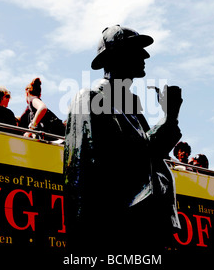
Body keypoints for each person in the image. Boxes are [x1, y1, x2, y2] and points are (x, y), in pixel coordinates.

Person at [64, 25, 183, 253]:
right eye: (137, 49)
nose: (145, 56)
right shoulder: (91, 98)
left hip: (145, 226)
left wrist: (170, 117)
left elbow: (151, 155)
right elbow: (85, 172)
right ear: (116, 55)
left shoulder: (131, 106)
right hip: (116, 230)